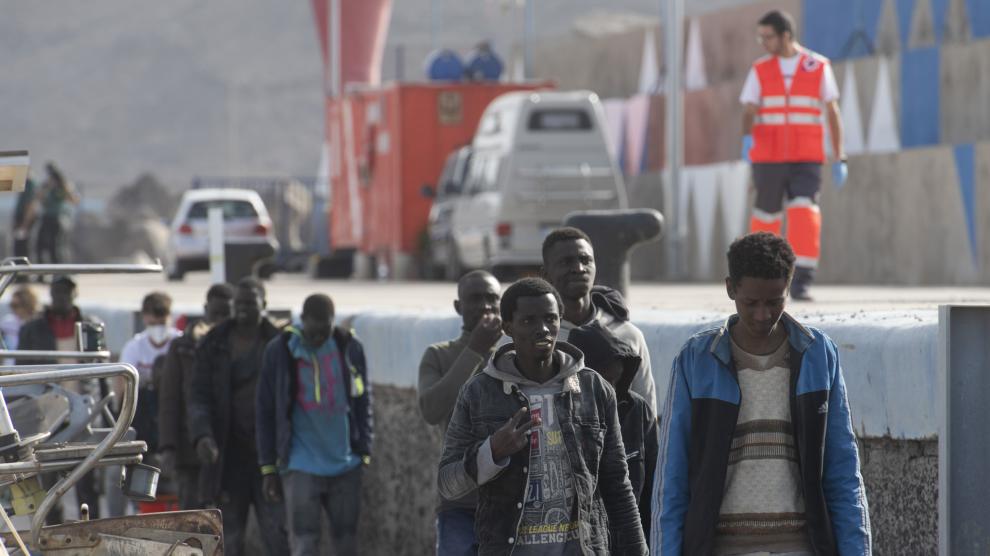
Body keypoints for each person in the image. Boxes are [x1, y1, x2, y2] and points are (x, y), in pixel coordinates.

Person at [651, 232, 871, 555]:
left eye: (774, 302)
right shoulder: (696, 361)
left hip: (800, 547)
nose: (762, 315)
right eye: (750, 303)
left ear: (789, 289)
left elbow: (843, 474)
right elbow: (672, 481)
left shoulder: (819, 356)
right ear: (730, 289)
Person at [439, 277, 647, 555]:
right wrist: (492, 451)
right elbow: (447, 484)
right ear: (507, 327)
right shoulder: (479, 393)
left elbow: (618, 484)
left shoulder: (594, 389)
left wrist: (638, 551)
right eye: (529, 321)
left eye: (551, 319)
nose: (543, 329)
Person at [740, 9, 846, 301]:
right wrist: (747, 142)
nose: (763, 41)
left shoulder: (818, 67)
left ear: (786, 35)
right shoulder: (760, 69)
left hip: (806, 157)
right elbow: (749, 110)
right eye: (760, 36)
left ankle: (800, 282)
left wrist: (840, 156)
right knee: (765, 219)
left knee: (804, 214)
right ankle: (763, 278)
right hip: (768, 158)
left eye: (768, 36)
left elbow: (832, 112)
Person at [256, 293, 373, 556]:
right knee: (304, 542)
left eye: (326, 329)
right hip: (300, 465)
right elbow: (264, 410)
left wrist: (364, 448)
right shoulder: (281, 350)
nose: (320, 337)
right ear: (303, 320)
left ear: (333, 321)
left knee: (346, 541)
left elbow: (363, 399)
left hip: (345, 463)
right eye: (314, 330)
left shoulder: (349, 346)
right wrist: (268, 467)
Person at [187, 278, 288, 555]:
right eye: (238, 303)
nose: (243, 308)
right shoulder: (214, 342)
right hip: (228, 454)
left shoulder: (280, 344)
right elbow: (198, 396)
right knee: (230, 536)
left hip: (270, 456)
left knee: (277, 533)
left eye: (250, 303)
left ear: (263, 305)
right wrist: (202, 434)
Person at [418, 270, 502, 555]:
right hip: (460, 501)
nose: (485, 307)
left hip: (509, 501)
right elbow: (431, 410)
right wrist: (475, 349)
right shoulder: (439, 355)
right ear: (458, 307)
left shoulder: (513, 354)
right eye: (475, 299)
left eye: (492, 299)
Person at [541, 227, 657, 412]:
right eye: (566, 262)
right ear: (546, 274)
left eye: (585, 260)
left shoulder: (628, 335)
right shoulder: (529, 338)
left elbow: (646, 413)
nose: (579, 268)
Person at [17, 275, 103, 520]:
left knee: (88, 481)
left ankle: (92, 528)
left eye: (65, 293)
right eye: (56, 293)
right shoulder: (32, 330)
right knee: (48, 482)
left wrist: (109, 414)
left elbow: (102, 374)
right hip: (47, 416)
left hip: (86, 414)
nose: (60, 298)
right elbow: (22, 375)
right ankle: (51, 532)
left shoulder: (90, 327)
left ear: (74, 295)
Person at [568, 321, 658, 545]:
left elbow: (656, 485)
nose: (611, 391)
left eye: (616, 381)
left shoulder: (637, 410)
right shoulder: (562, 415)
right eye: (604, 382)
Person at [157, 283, 234, 510]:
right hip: (188, 450)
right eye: (215, 314)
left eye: (225, 315)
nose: (219, 320)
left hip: (226, 449)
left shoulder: (235, 347)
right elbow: (169, 400)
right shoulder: (182, 347)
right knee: (191, 517)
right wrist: (168, 447)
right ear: (205, 309)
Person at [119, 292, 181, 453]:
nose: (158, 329)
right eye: (154, 323)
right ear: (145, 318)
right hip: (144, 411)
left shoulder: (179, 342)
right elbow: (122, 385)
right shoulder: (134, 347)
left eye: (162, 323)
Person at [34, 163, 80, 265]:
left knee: (55, 246)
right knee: (39, 245)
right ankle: (42, 271)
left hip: (57, 219)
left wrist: (64, 188)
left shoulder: (62, 187)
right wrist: (47, 187)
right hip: (46, 218)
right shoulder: (46, 186)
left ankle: (59, 271)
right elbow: (38, 198)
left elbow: (74, 200)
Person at [1, 285, 39, 363]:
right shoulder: (7, 322)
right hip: (9, 367)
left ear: (27, 304)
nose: (14, 309)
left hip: (29, 367)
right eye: (12, 305)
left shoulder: (38, 324)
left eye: (16, 305)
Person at [11, 177, 37, 262]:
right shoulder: (22, 182)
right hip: (20, 219)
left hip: (24, 220)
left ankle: (25, 271)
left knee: (23, 247)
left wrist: (25, 224)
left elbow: (30, 205)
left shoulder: (29, 183)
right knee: (18, 247)